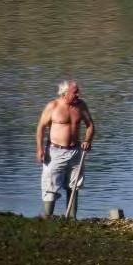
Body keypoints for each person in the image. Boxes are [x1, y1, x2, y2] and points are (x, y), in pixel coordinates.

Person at [35, 80, 95, 218]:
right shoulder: (53, 106)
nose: (78, 94)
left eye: (78, 91)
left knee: (74, 186)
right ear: (65, 93)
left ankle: (72, 218)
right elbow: (41, 128)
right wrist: (39, 149)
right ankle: (48, 217)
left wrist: (87, 141)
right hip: (55, 152)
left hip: (75, 151)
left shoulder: (81, 106)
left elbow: (90, 125)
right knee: (50, 186)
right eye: (75, 92)